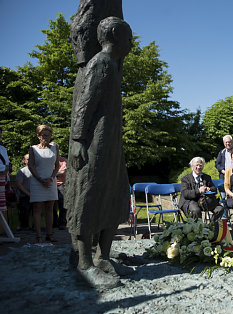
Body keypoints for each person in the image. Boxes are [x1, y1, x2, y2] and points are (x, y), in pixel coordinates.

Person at [65, 17, 132, 288]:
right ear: (115, 35)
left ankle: (104, 256)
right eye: (128, 37)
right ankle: (84, 265)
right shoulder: (100, 63)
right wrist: (78, 139)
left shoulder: (114, 66)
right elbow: (85, 102)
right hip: (95, 143)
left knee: (116, 194)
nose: (131, 42)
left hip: (111, 143)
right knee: (89, 196)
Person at [28, 125, 60, 243]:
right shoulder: (33, 149)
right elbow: (31, 166)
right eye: (44, 135)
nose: (46, 137)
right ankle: (38, 236)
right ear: (38, 136)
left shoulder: (55, 147)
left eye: (48, 135)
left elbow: (57, 165)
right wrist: (40, 179)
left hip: (51, 181)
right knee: (37, 208)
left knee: (50, 208)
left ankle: (49, 234)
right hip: (37, 181)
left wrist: (51, 178)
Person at [179, 157, 224, 221]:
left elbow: (214, 189)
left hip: (205, 201)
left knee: (220, 209)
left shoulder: (207, 177)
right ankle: (199, 228)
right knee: (196, 210)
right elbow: (185, 193)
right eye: (196, 165)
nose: (199, 167)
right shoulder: (185, 179)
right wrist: (199, 191)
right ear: (192, 167)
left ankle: (211, 225)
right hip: (191, 201)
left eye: (200, 165)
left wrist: (209, 189)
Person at [16, 154, 32, 230]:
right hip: (25, 195)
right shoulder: (21, 171)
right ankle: (24, 226)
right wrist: (28, 194)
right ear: (25, 161)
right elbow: (19, 185)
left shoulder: (38, 170)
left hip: (36, 195)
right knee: (24, 211)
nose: (29, 160)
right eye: (28, 159)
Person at [53, 155, 67, 230]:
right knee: (51, 206)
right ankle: (54, 223)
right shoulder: (49, 160)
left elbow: (63, 171)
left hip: (61, 185)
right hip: (51, 185)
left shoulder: (63, 160)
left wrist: (52, 173)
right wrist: (57, 172)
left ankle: (62, 223)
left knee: (62, 205)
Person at [0, 127, 10, 228]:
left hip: (2, 177)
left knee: (1, 206)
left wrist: (5, 172)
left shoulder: (3, 149)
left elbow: (7, 163)